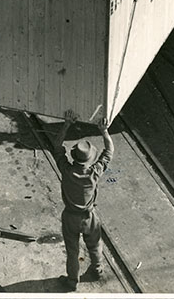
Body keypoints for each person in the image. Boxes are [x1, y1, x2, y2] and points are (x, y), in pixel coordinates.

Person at [53, 110, 114, 292]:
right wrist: (104, 131)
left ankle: (72, 281)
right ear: (90, 159)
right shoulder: (94, 172)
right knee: (95, 245)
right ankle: (97, 270)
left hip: (70, 217)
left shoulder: (66, 169)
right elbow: (109, 150)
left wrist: (66, 124)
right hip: (89, 217)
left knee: (73, 252)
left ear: (75, 157)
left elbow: (56, 146)